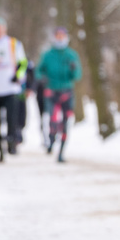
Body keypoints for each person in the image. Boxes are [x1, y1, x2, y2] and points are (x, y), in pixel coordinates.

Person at [0, 16, 29, 162]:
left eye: (0, 27)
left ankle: (11, 140)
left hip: (10, 88)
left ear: (5, 29)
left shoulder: (14, 43)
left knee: (12, 118)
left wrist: (17, 76)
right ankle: (0, 151)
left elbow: (23, 63)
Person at [37, 26, 82, 163]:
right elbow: (38, 71)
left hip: (67, 92)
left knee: (66, 123)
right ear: (54, 37)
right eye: (58, 36)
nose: (60, 38)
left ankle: (61, 152)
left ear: (66, 37)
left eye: (62, 36)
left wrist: (74, 69)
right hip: (51, 91)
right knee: (53, 120)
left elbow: (78, 76)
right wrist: (42, 78)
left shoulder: (72, 55)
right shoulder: (47, 54)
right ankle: (51, 140)